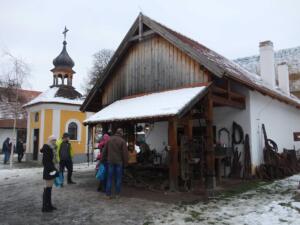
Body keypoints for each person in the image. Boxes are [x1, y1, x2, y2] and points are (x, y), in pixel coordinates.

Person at [104, 128, 128, 198]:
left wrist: (102, 160)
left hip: (110, 161)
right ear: (121, 133)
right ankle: (117, 194)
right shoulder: (122, 141)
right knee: (118, 178)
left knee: (109, 178)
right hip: (119, 162)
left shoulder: (109, 139)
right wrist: (126, 163)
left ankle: (108, 195)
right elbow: (125, 154)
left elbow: (105, 151)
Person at [40, 135, 58, 212]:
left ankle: (49, 205)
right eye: (53, 140)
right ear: (49, 141)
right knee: (47, 188)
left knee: (49, 188)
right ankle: (45, 207)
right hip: (48, 171)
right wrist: (53, 170)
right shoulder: (47, 148)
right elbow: (45, 162)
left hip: (51, 170)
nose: (55, 141)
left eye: (55, 140)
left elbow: (52, 160)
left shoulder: (52, 148)